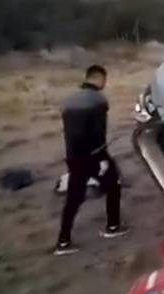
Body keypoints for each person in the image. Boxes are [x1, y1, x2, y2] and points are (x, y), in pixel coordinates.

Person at [55, 65, 128, 256]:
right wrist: (101, 159)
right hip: (93, 156)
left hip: (73, 157)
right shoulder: (98, 101)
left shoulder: (69, 101)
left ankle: (63, 242)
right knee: (114, 184)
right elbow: (97, 133)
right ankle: (112, 227)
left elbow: (73, 134)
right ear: (100, 79)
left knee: (73, 199)